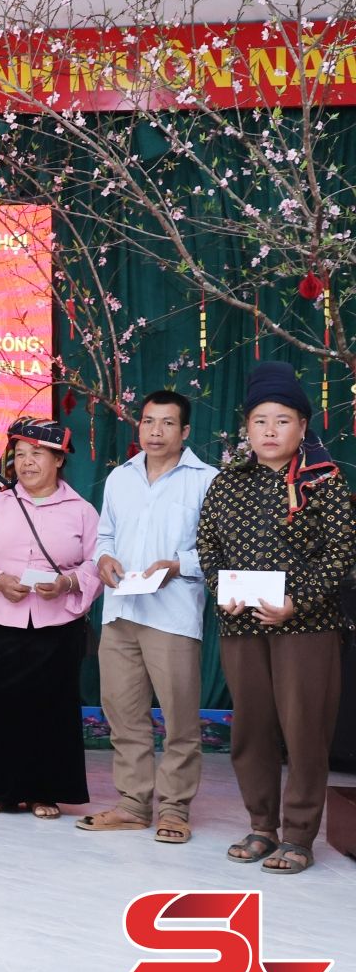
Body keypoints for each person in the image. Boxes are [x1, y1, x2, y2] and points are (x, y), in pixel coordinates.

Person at [198, 361, 354, 874]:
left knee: (305, 730)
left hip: (305, 628)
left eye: (282, 420)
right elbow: (208, 547)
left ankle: (300, 835)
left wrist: (298, 601)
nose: (270, 430)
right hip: (241, 625)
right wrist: (223, 591)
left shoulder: (324, 482)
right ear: (247, 427)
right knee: (252, 729)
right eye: (260, 420)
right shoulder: (226, 484)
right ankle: (262, 826)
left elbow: (342, 554)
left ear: (302, 427)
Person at [77, 390, 216, 843]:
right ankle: (133, 805)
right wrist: (103, 559)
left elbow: (217, 550)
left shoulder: (206, 480)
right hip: (120, 612)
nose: (156, 432)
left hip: (172, 616)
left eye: (167, 423)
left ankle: (174, 810)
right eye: (149, 422)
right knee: (124, 715)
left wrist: (178, 564)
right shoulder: (121, 477)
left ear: (185, 431)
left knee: (179, 720)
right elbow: (105, 536)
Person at [0, 417, 100, 820]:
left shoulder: (81, 510)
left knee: (52, 708)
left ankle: (43, 792)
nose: (27, 462)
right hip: (3, 622)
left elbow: (98, 562)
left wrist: (68, 582)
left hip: (58, 626)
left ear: (59, 460)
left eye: (38, 454)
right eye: (20, 455)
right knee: (1, 707)